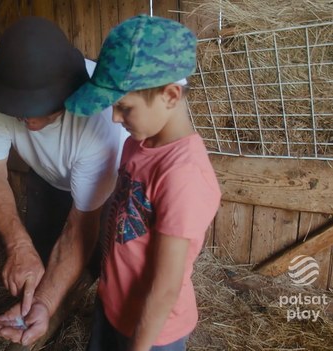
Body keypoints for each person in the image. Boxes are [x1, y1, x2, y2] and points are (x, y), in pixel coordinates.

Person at [64, 15, 222, 351]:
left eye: (124, 107)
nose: (115, 118)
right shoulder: (137, 144)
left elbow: (166, 285)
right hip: (113, 304)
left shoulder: (183, 175)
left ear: (169, 95)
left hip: (154, 332)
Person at [0, 17, 128, 346]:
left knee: (109, 268)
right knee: (41, 253)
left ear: (66, 95)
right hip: (47, 174)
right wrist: (18, 245)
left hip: (108, 184)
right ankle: (43, 324)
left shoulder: (99, 120)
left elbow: (80, 227)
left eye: (41, 110)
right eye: (18, 109)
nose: (28, 122)